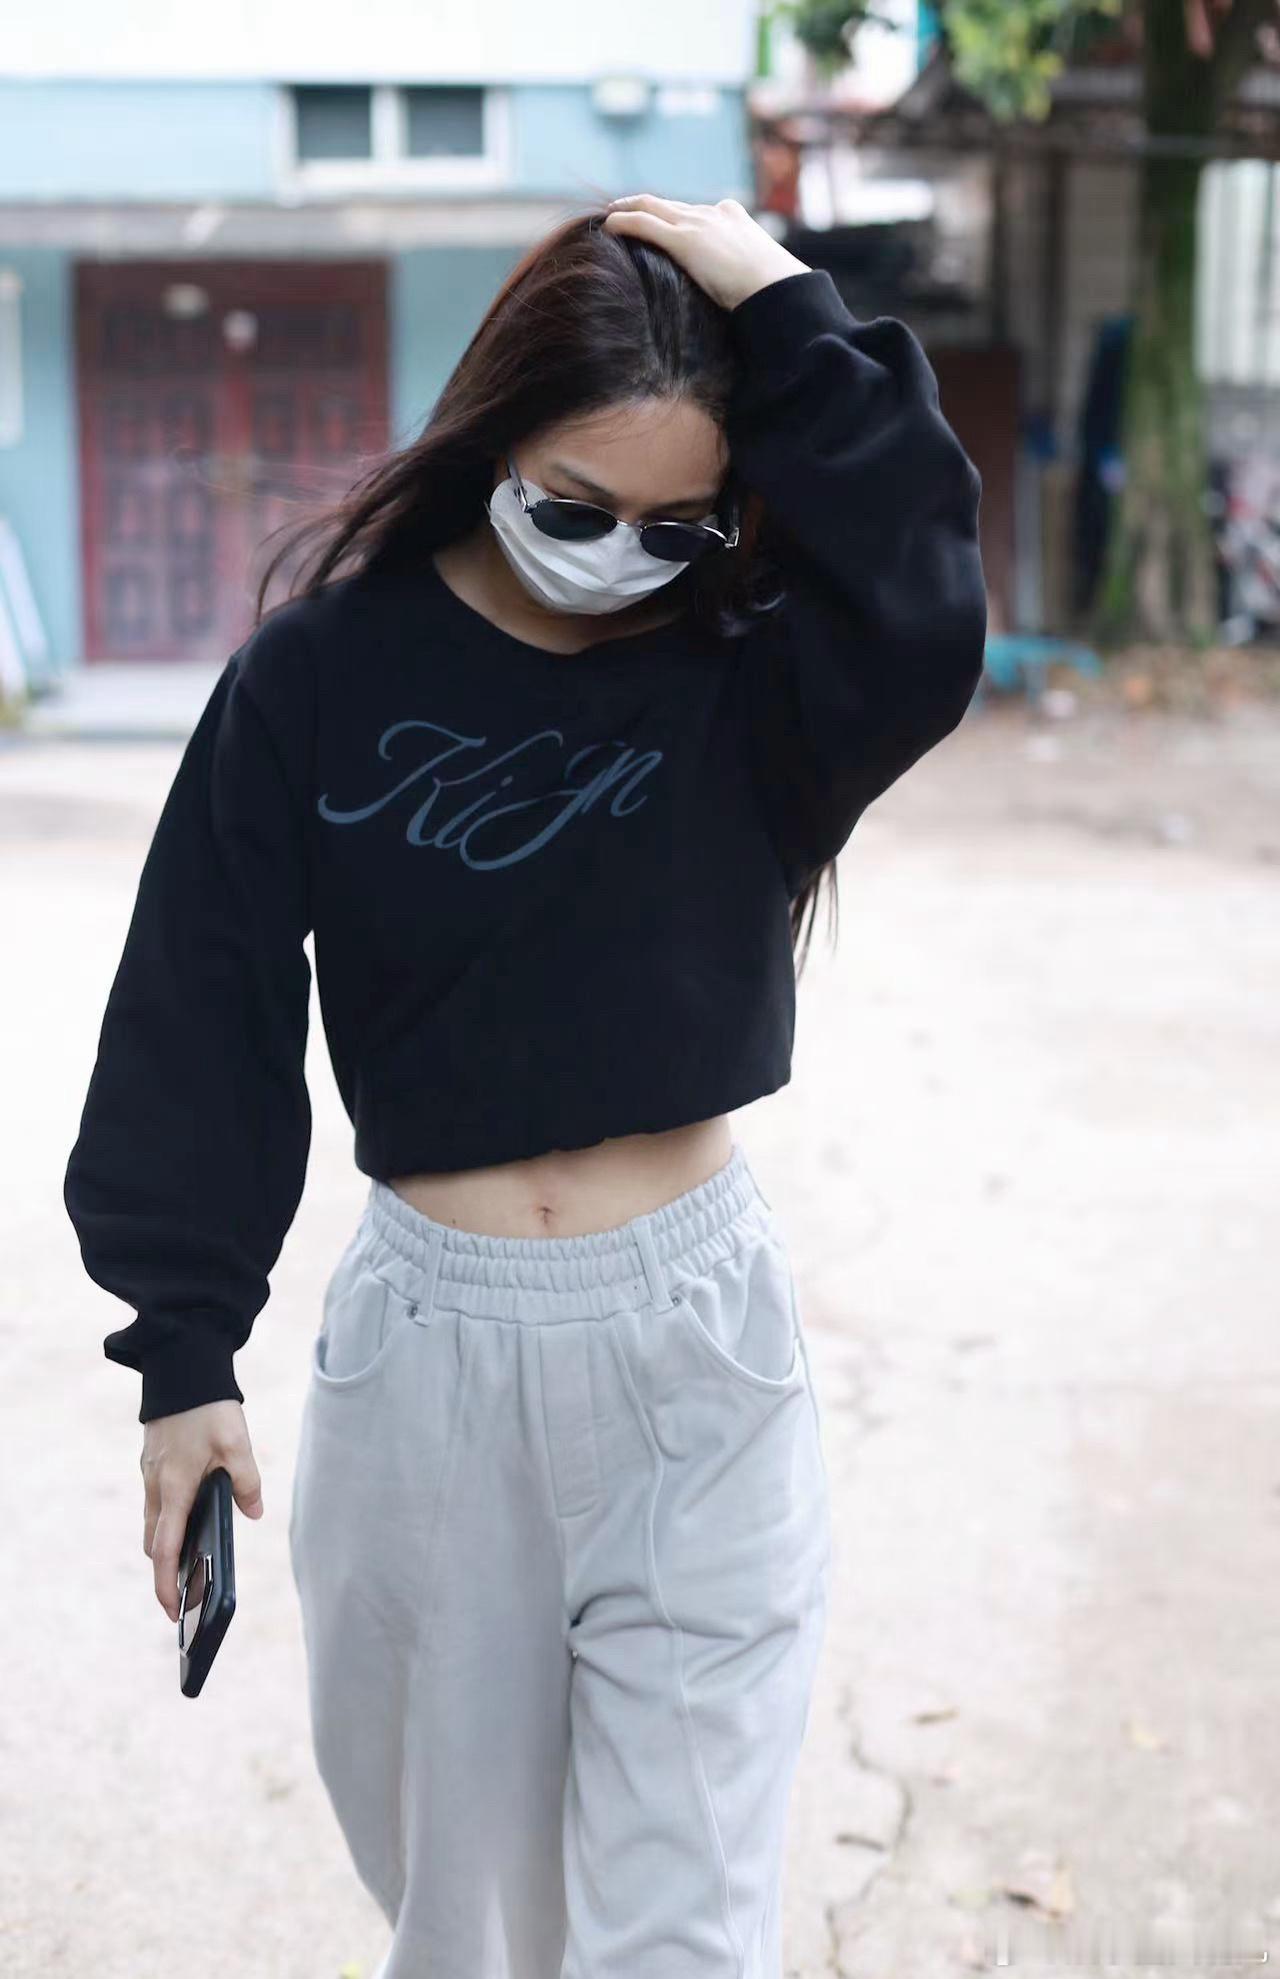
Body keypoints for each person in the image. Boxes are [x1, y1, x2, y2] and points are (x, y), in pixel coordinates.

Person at [63, 193, 987, 1975]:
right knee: (463, 1924)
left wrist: (789, 306)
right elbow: (201, 1002)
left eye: (674, 525)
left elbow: (926, 595)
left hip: (696, 1347)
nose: (619, 553)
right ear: (492, 441)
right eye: (574, 506)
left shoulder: (755, 673)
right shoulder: (318, 676)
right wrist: (184, 1354)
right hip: (432, 1357)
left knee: (685, 1930)